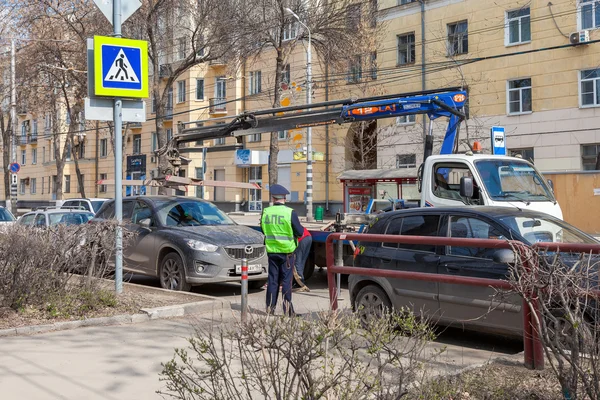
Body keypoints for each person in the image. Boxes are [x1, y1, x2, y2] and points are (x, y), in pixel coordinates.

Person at [260, 184, 304, 316]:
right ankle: (288, 311)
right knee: (286, 281)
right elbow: (300, 232)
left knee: (272, 280)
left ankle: (270, 308)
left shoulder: (266, 212)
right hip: (286, 253)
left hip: (272, 251)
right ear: (284, 198)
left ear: (273, 198)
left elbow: (263, 229)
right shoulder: (290, 212)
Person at [293, 227, 312, 291]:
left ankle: (299, 283)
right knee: (302, 261)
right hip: (307, 236)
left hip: (301, 239)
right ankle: (301, 279)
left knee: (297, 261)